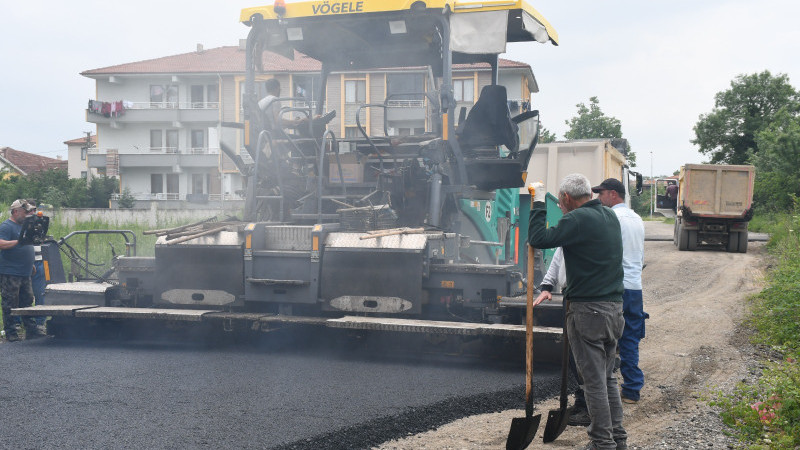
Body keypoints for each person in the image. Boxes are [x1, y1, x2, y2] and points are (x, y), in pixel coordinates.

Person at [529, 174, 626, 450]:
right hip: (614, 309)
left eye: (559, 204)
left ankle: (602, 443)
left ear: (566, 198)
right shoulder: (609, 217)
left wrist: (536, 202)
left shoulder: (577, 219)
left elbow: (538, 238)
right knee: (607, 378)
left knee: (593, 382)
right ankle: (618, 439)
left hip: (588, 311)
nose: (560, 208)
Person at [592, 178, 647, 404]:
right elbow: (640, 256)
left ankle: (602, 389)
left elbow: (604, 253)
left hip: (615, 287)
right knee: (630, 338)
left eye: (601, 193)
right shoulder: (637, 219)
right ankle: (632, 389)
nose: (598, 198)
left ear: (613, 194)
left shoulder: (611, 218)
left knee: (603, 338)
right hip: (635, 287)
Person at [0, 199, 45, 341]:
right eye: (24, 212)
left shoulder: (24, 226)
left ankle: (31, 330)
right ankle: (11, 332)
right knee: (10, 302)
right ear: (15, 211)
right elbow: (1, 243)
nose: (27, 214)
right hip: (11, 272)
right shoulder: (7, 226)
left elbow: (26, 247)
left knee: (27, 301)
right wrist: (18, 242)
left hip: (25, 271)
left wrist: (30, 263)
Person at [26, 200, 48, 332]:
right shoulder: (19, 226)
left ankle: (40, 322)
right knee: (23, 295)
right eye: (29, 210)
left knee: (41, 293)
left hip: (40, 262)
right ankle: (21, 322)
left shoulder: (40, 225)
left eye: (34, 210)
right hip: (25, 264)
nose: (32, 213)